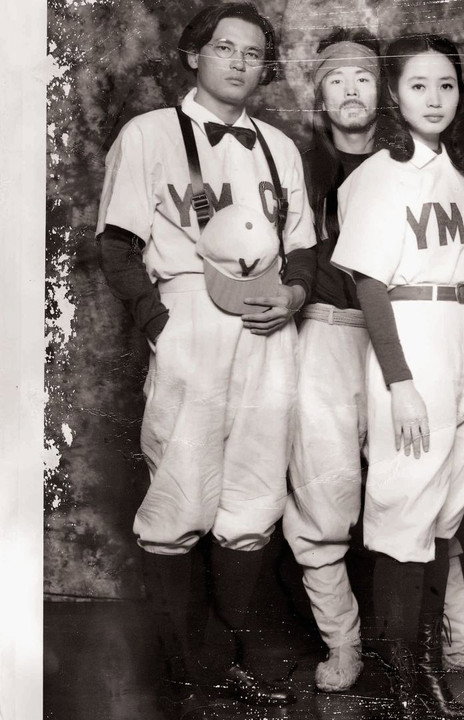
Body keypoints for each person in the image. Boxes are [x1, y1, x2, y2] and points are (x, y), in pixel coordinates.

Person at [95, 1, 315, 710]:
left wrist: (295, 295)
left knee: (255, 492)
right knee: (182, 488)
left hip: (270, 323)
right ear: (194, 55)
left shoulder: (279, 147)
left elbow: (303, 247)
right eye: (225, 48)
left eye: (253, 53)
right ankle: (185, 673)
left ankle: (233, 658)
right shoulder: (149, 133)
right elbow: (117, 244)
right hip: (190, 314)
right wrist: (161, 322)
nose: (240, 63)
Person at [330, 33, 464, 720]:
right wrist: (399, 380)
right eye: (417, 85)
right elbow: (370, 285)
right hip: (415, 334)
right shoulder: (380, 174)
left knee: (443, 519)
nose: (434, 99)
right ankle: (405, 687)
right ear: (393, 94)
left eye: (446, 85)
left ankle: (429, 677)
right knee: (406, 514)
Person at [284, 27, 380, 694]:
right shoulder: (295, 165)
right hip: (323, 331)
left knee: (421, 489)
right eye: (336, 79)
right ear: (319, 93)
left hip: (401, 335)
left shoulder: (408, 163)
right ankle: (343, 642)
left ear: (383, 91)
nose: (350, 90)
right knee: (324, 497)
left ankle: (453, 631)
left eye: (364, 77)